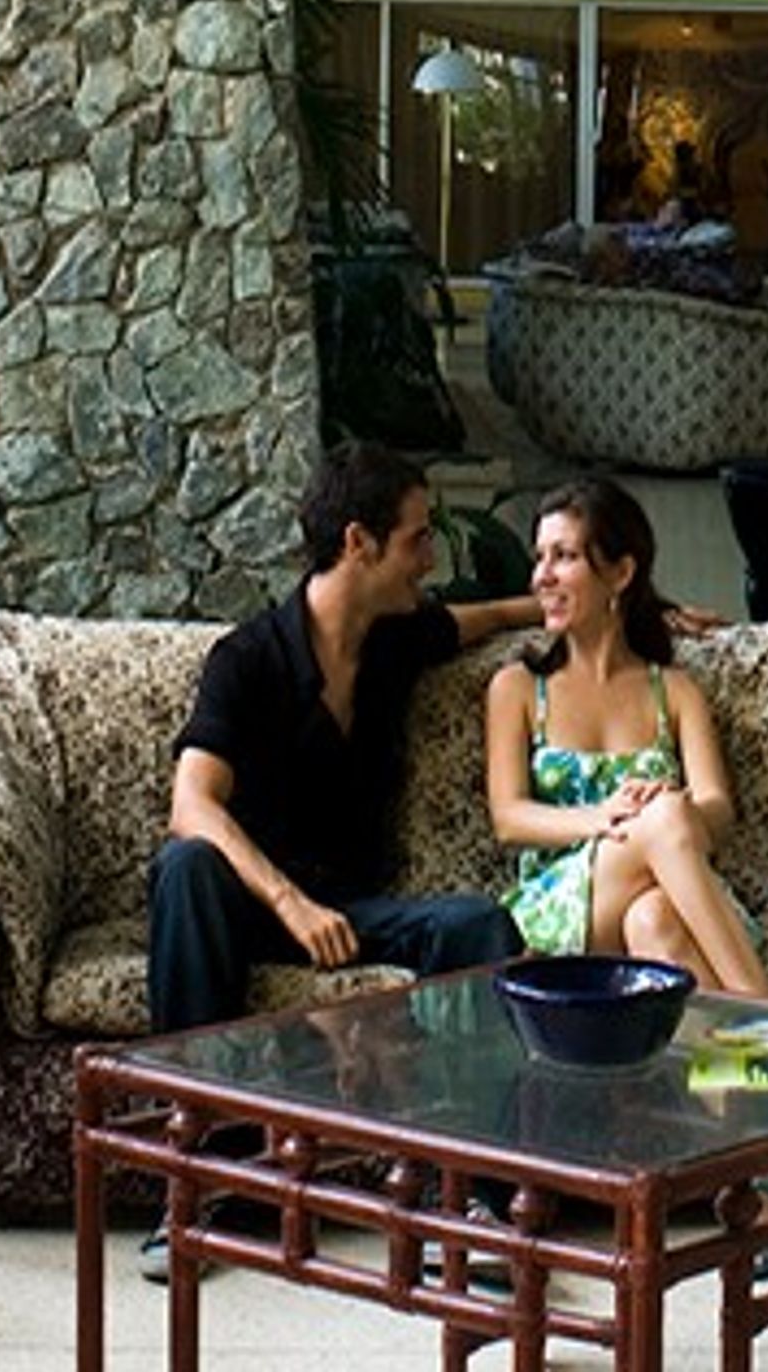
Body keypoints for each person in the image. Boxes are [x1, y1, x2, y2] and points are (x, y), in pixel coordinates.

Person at [146, 445, 537, 1039]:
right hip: (249, 907)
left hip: (349, 913)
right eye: (416, 540)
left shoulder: (397, 640)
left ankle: (470, 1100)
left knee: (478, 923)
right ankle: (185, 1090)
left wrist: (621, 607)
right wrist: (289, 903)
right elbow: (191, 806)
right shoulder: (247, 659)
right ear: (359, 542)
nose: (429, 560)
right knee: (187, 863)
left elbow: (499, 614)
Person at [485, 476, 768, 995]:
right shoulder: (519, 687)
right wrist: (604, 817)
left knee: (653, 919)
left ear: (620, 573)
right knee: (664, 816)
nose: (542, 576)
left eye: (564, 556)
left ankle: (731, 1043)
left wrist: (670, 811)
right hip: (567, 906)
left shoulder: (675, 691)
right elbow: (508, 819)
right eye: (540, 557)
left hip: (662, 893)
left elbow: (718, 809)